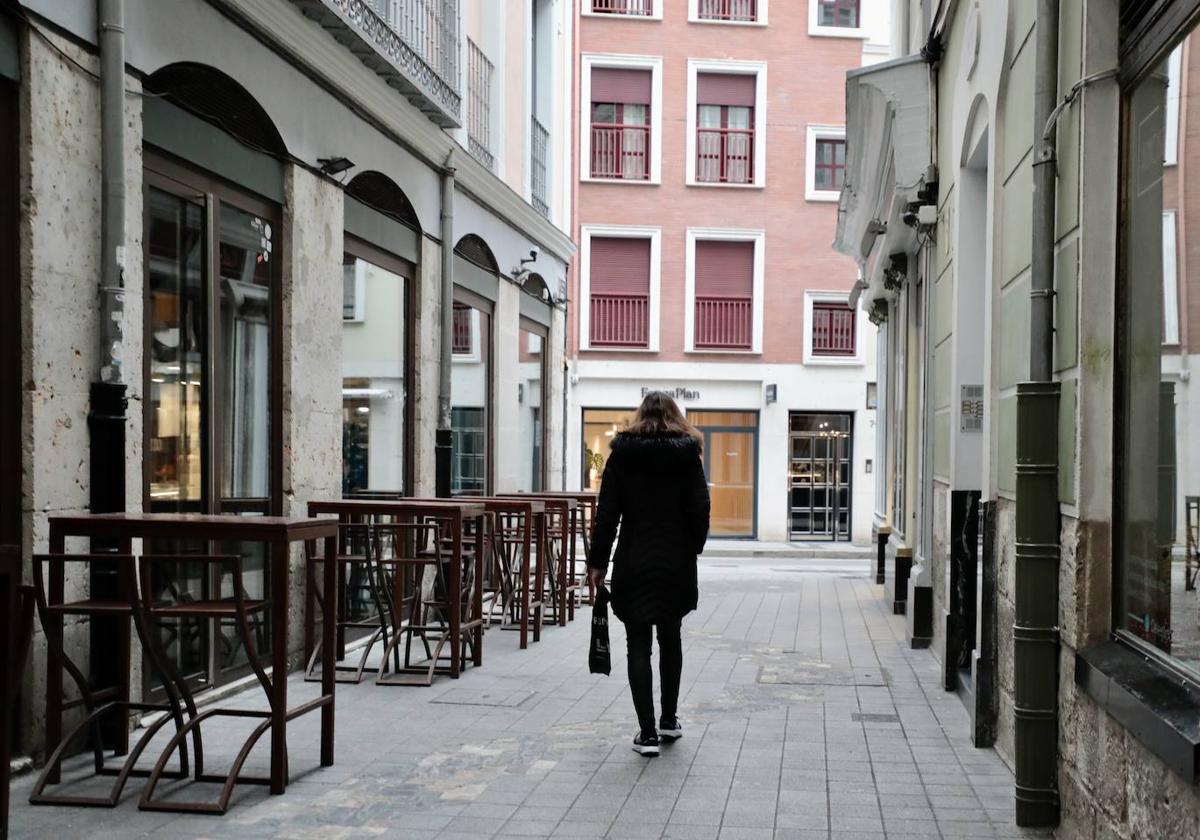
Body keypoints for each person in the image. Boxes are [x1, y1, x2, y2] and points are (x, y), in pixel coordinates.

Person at [587, 391, 711, 756]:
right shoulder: (688, 456)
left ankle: (647, 734)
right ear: (676, 416)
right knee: (671, 638)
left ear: (639, 416)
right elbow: (701, 508)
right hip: (675, 562)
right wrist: (693, 547)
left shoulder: (622, 455)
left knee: (637, 645)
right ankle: (669, 720)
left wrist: (597, 562)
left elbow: (607, 514)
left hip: (634, 559)